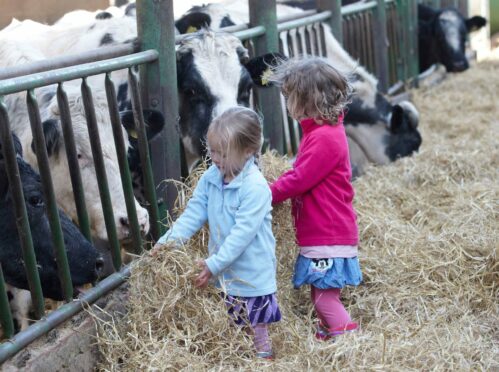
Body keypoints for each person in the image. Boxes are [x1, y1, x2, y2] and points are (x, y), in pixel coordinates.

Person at [152, 107, 281, 359]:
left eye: (222, 153)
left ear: (248, 151)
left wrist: (213, 264)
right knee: (233, 331)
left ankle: (264, 361)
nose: (215, 158)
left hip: (251, 276)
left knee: (255, 332)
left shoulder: (255, 188)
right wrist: (167, 243)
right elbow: (193, 214)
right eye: (212, 150)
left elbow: (241, 235)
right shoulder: (211, 177)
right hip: (225, 274)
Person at [269, 57, 362, 340]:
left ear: (307, 100)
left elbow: (299, 179)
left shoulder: (325, 137)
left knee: (324, 298)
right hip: (325, 232)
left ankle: (349, 341)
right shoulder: (320, 133)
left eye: (290, 97)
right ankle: (329, 334)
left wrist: (266, 194)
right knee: (321, 292)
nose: (287, 104)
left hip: (327, 235)